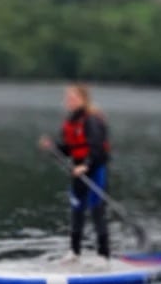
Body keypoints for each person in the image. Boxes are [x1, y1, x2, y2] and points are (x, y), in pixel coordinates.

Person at [39, 83, 110, 265]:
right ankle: (74, 252)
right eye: (67, 98)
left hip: (94, 169)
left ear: (83, 99)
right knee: (76, 210)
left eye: (73, 97)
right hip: (78, 171)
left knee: (96, 210)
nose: (69, 100)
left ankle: (103, 255)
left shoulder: (92, 120)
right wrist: (52, 146)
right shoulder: (70, 122)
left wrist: (86, 165)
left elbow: (96, 148)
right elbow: (68, 149)